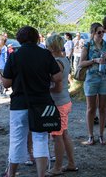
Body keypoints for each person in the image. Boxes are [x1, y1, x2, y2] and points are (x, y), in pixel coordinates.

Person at [2, 26, 62, 177]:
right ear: (36, 38)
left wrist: (2, 76)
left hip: (19, 104)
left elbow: (6, 83)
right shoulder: (45, 54)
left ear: (19, 39)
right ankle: (41, 175)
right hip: (42, 103)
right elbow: (57, 77)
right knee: (41, 139)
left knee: (17, 140)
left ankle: (11, 174)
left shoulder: (14, 56)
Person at [46, 35, 78, 176]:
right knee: (64, 134)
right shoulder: (64, 59)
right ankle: (71, 163)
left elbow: (57, 87)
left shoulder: (57, 63)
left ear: (52, 47)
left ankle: (57, 168)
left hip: (58, 103)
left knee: (57, 136)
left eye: (47, 46)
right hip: (64, 101)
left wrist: (44, 88)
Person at [80, 23, 106, 145]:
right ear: (93, 33)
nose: (101, 34)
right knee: (91, 108)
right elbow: (81, 63)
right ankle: (90, 136)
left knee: (103, 108)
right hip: (91, 79)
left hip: (105, 79)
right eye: (99, 32)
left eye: (103, 32)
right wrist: (94, 60)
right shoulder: (87, 45)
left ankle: (101, 135)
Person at [0, 33, 8, 97]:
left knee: (1, 79)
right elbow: (5, 58)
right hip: (4, 66)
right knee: (4, 79)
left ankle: (1, 92)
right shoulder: (4, 48)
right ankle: (3, 92)